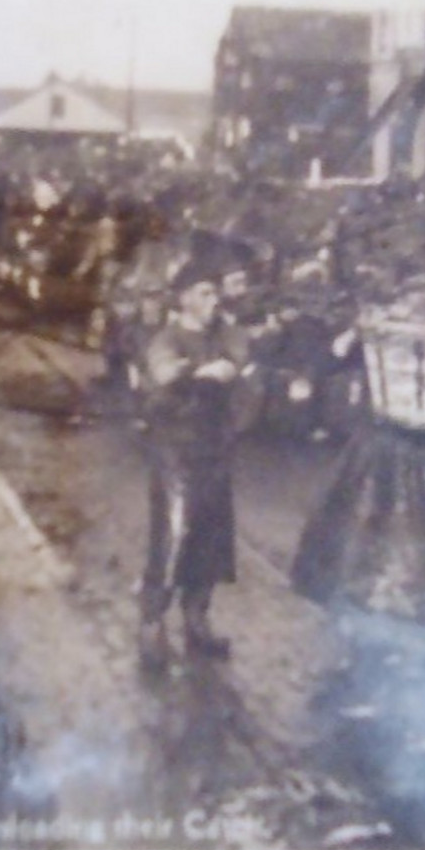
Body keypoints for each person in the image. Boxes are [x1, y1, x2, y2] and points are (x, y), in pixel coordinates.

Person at [138, 253, 254, 670]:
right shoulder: (165, 338)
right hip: (175, 454)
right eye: (205, 293)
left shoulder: (224, 333)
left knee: (212, 536)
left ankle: (196, 618)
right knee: (174, 536)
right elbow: (163, 375)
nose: (214, 302)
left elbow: (240, 356)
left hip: (213, 448)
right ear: (185, 298)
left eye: (216, 294)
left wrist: (211, 369)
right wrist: (203, 372)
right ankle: (152, 624)